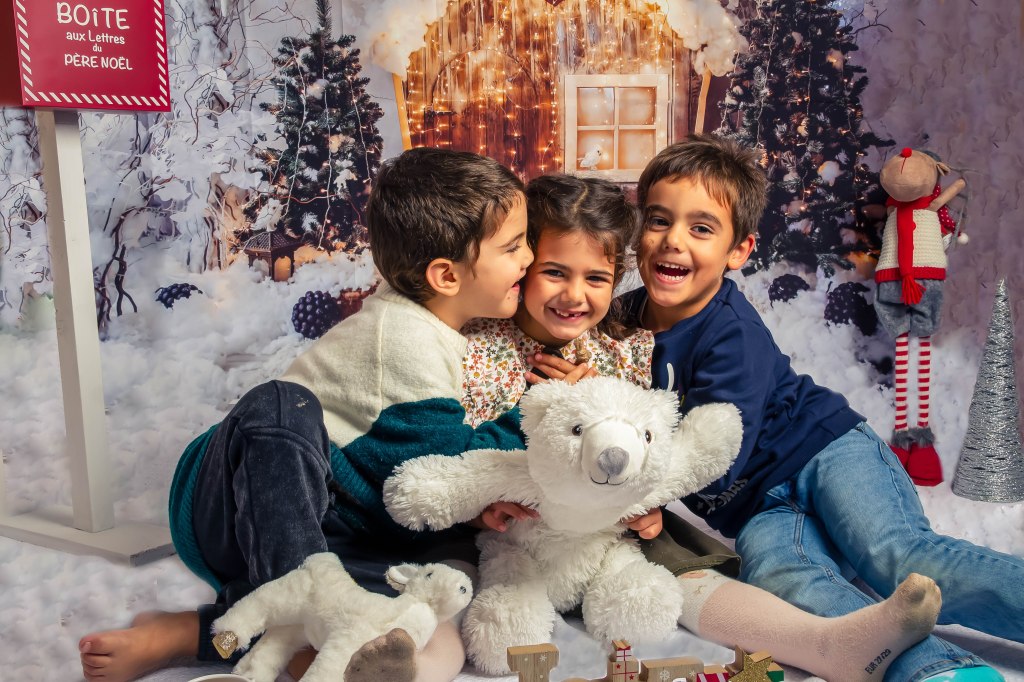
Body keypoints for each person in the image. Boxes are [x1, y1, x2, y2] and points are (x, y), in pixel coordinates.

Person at [78, 147, 535, 682]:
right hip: (239, 500)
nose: (528, 258)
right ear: (445, 276)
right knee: (282, 404)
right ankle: (286, 620)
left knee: (421, 589)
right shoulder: (403, 339)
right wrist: (538, 412)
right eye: (514, 247)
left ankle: (208, 633)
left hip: (336, 525)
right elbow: (450, 470)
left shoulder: (446, 318)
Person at [466, 173, 944, 682]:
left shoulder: (623, 347)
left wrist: (628, 472)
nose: (574, 295)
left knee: (693, 577)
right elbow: (458, 457)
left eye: (596, 278)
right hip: (516, 534)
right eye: (554, 272)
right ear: (523, 266)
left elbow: (660, 449)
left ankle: (838, 646)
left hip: (626, 525)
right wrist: (478, 509)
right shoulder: (484, 346)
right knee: (490, 591)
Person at [612, 133, 1021, 681]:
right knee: (785, 583)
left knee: (898, 557)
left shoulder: (729, 332)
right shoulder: (615, 325)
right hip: (758, 510)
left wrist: (644, 492)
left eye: (701, 228)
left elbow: (716, 457)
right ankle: (939, 670)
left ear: (739, 251)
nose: (672, 241)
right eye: (659, 220)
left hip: (825, 452)